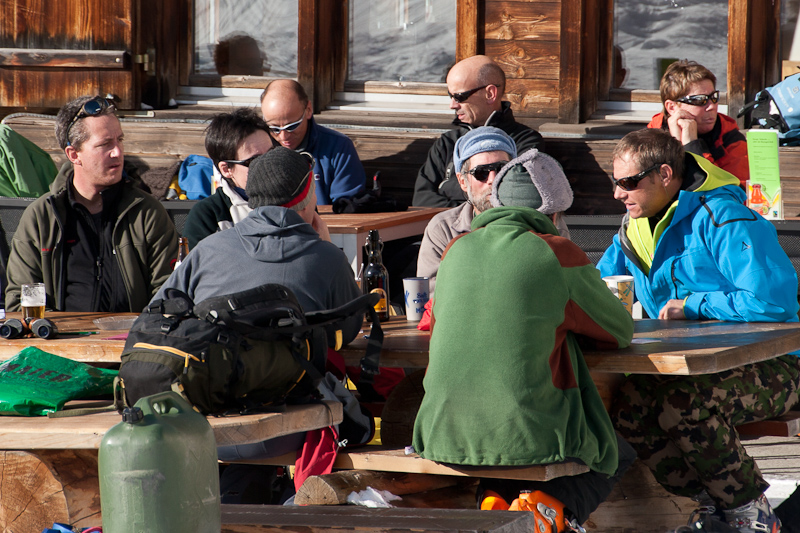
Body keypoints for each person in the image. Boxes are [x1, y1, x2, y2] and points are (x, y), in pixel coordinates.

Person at [412, 149, 636, 530]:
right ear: (552, 213)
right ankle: (548, 514)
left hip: (439, 432)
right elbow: (619, 330)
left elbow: (430, 320)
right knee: (618, 452)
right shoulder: (557, 252)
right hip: (528, 433)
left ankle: (495, 502)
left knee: (505, 443)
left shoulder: (455, 249)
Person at [597, 128, 800, 532]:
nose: (618, 193)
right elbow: (598, 285)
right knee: (629, 407)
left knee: (682, 402)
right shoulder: (633, 228)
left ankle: (751, 517)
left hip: (777, 365)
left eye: (628, 182)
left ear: (665, 174)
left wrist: (694, 305)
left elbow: (775, 301)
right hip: (690, 367)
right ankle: (718, 505)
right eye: (614, 182)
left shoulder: (723, 216)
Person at [153, 146, 358, 460]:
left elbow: (156, 312)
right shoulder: (326, 258)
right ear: (308, 195)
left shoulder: (208, 249)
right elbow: (348, 329)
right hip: (287, 423)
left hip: (201, 420)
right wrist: (326, 245)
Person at [5, 95, 178, 312]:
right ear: (74, 154)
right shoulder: (42, 217)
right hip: (57, 342)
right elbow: (19, 300)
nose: (118, 152)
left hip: (130, 340)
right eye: (105, 144)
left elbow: (168, 294)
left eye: (120, 140)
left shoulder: (147, 213)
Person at [417, 126, 570, 293]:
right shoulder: (443, 229)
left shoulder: (544, 221)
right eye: (481, 173)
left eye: (501, 169)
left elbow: (567, 286)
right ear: (462, 181)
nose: (493, 179)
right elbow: (432, 298)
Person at [412, 55, 544, 208]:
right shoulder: (447, 142)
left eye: (459, 96)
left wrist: (460, 210)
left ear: (490, 94)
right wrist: (461, 215)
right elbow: (422, 200)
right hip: (447, 229)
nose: (452, 105)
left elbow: (513, 198)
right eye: (450, 96)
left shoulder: (525, 141)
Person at [260, 79, 365, 204]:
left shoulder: (339, 148)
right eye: (274, 128)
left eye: (292, 126)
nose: (283, 136)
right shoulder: (256, 149)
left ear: (308, 109)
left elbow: (346, 208)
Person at [647, 59, 749, 187]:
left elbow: (735, 192)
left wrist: (692, 146)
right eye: (700, 100)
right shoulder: (651, 135)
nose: (711, 106)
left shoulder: (729, 137)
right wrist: (676, 145)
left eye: (714, 97)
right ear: (672, 107)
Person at [182, 107, 272, 249]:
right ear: (226, 169)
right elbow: (194, 269)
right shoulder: (208, 215)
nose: (268, 166)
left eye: (272, 154)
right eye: (254, 161)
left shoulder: (295, 199)